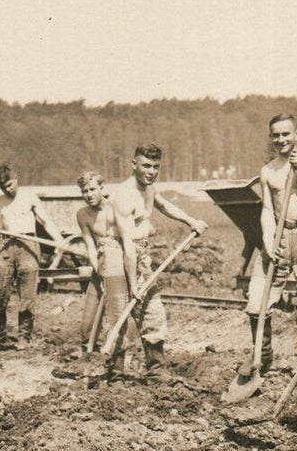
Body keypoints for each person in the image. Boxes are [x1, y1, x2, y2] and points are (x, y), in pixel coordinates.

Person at [102, 143, 208, 379]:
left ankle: (156, 369)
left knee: (153, 310)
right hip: (117, 252)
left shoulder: (149, 189)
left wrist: (191, 221)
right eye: (146, 166)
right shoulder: (123, 195)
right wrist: (133, 284)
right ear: (134, 164)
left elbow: (163, 205)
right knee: (120, 314)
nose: (151, 171)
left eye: (155, 167)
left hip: (139, 252)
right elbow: (127, 244)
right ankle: (116, 373)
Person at [246, 114, 297, 381]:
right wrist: (268, 244)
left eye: (286, 134)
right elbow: (268, 210)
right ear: (271, 138)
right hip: (280, 235)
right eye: (276, 135)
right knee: (257, 299)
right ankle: (262, 355)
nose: (281, 140)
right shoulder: (268, 171)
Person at [0, 164, 68, 351]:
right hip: (7, 247)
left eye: (9, 184)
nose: (7, 189)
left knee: (27, 297)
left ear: (16, 179)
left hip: (28, 246)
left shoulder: (30, 197)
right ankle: (0, 338)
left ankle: (24, 337)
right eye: (2, 186)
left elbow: (46, 221)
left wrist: (60, 240)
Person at [74, 171, 110, 352]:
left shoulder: (115, 208)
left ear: (102, 188)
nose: (88, 195)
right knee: (88, 320)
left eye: (93, 189)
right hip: (100, 266)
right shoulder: (83, 214)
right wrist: (100, 272)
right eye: (84, 191)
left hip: (122, 265)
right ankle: (90, 351)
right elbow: (90, 245)